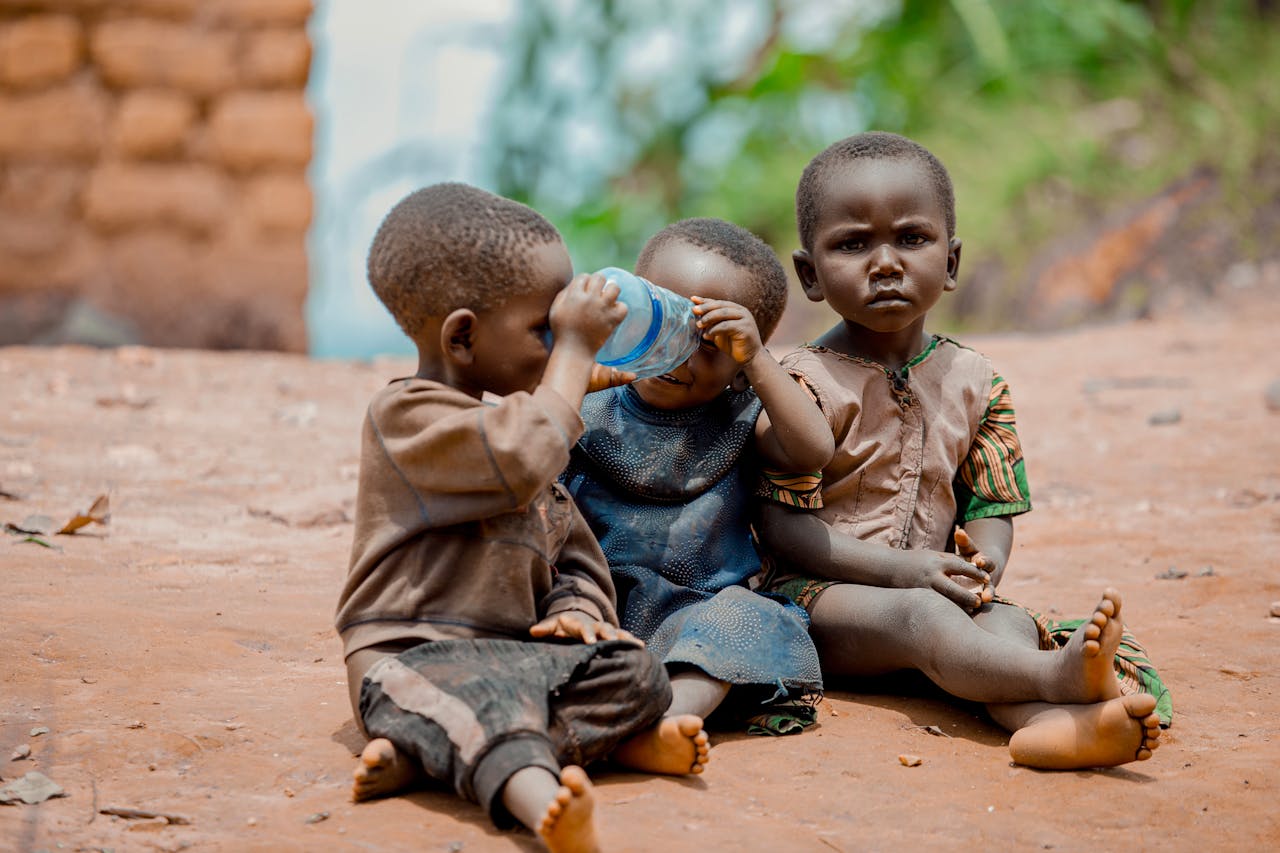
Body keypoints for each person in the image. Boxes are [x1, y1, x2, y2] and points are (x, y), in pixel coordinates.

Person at [755, 132, 1171, 770]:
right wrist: (907, 572)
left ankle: (1056, 728)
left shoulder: (976, 380)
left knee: (1001, 625)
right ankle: (1056, 679)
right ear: (810, 274)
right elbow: (784, 530)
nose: (886, 262)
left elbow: (991, 504)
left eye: (911, 239)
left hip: (936, 590)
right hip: (820, 602)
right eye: (853, 243)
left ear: (950, 264)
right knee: (921, 617)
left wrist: (988, 559)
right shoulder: (802, 385)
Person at [334, 183, 709, 853]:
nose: (564, 344)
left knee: (638, 673)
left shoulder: (529, 439)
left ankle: (429, 754)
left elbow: (574, 555)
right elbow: (522, 451)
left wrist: (579, 611)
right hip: (414, 656)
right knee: (489, 707)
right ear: (463, 336)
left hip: (516, 659)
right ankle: (547, 810)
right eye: (546, 329)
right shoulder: (407, 421)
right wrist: (570, 358)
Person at [562, 218, 834, 734]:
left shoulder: (742, 417)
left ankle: (662, 721)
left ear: (737, 367)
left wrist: (756, 360)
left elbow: (811, 450)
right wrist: (571, 381)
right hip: (592, 604)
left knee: (750, 620)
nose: (676, 350)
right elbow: (525, 464)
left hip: (699, 612)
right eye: (660, 320)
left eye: (707, 340)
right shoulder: (588, 401)